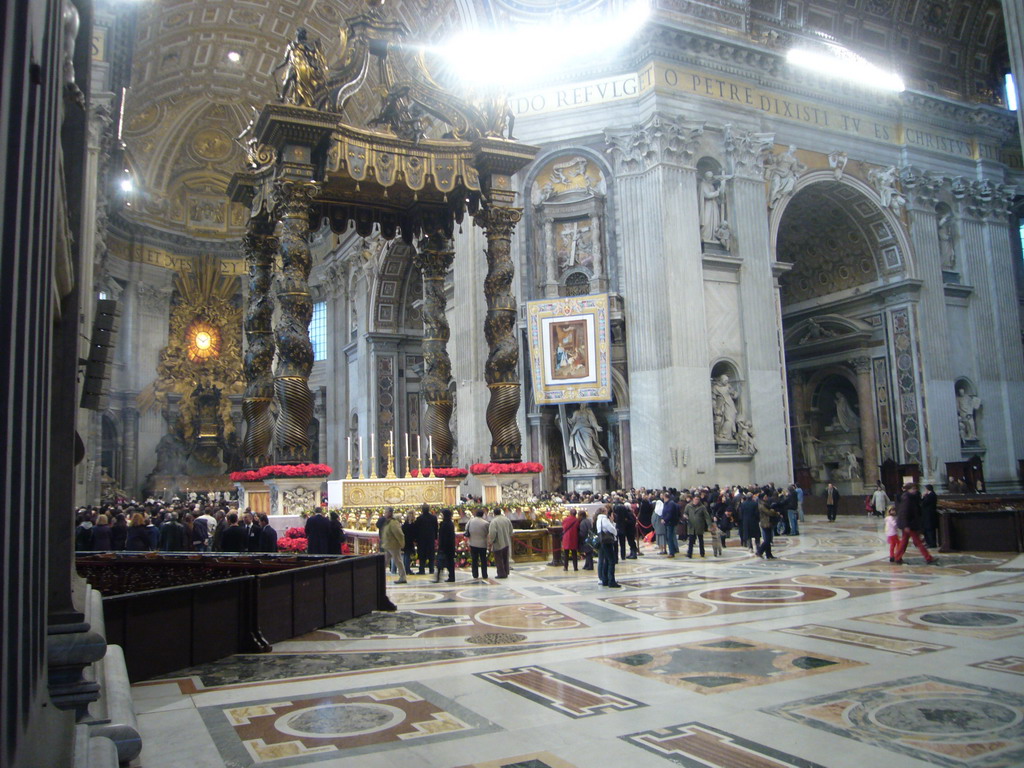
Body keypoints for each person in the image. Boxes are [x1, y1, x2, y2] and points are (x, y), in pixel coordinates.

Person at [893, 482, 937, 565]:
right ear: (908, 490)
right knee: (918, 542)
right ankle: (928, 557)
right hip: (909, 524)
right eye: (913, 489)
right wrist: (906, 525)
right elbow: (904, 512)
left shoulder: (912, 497)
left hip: (909, 523)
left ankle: (897, 557)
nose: (915, 490)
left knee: (904, 541)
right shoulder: (907, 498)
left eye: (915, 489)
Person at [567, 404, 607, 470]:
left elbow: (593, 421)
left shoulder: (589, 412)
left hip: (587, 431)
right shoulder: (576, 412)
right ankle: (585, 464)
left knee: (589, 447)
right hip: (577, 433)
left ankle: (596, 463)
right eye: (581, 402)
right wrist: (562, 419)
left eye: (584, 402)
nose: (583, 404)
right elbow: (572, 421)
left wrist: (597, 427)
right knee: (579, 449)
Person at [380, 507, 408, 584]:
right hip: (388, 545)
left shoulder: (393, 523)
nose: (384, 514)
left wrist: (402, 544)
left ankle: (403, 577)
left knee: (398, 560)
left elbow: (399, 534)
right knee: (385, 561)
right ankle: (379, 576)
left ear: (389, 513)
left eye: (386, 512)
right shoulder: (388, 522)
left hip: (393, 545)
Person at [595, 506, 621, 587]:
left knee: (606, 560)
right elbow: (611, 529)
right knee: (611, 561)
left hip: (602, 541)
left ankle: (605, 579)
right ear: (603, 512)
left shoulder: (598, 520)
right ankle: (611, 580)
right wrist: (613, 523)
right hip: (607, 541)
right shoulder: (604, 519)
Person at [488, 508, 514, 579]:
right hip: (506, 542)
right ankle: (506, 571)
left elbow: (492, 533)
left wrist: (491, 541)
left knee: (499, 559)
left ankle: (501, 573)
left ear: (494, 513)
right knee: (505, 558)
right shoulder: (506, 519)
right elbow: (511, 530)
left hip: (498, 542)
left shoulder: (494, 521)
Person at [712, 375, 739, 442]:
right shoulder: (716, 387)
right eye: (725, 380)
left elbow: (735, 396)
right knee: (728, 420)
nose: (727, 382)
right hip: (721, 406)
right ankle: (723, 434)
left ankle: (729, 437)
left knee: (731, 420)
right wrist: (715, 407)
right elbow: (713, 399)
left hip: (730, 405)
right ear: (721, 380)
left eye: (727, 380)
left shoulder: (728, 386)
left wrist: (733, 393)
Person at [465, 508, 490, 580]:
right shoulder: (485, 523)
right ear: (483, 515)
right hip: (482, 543)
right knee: (483, 560)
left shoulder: (470, 521)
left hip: (473, 543)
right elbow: (488, 533)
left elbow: (466, 529)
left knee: (474, 559)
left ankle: (475, 574)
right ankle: (484, 574)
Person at [684, 494, 712, 558]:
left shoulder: (702, 507)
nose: (696, 501)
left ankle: (702, 553)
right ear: (693, 499)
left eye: (698, 499)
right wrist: (685, 516)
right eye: (695, 499)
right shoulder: (688, 506)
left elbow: (707, 517)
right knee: (691, 541)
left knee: (701, 540)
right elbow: (685, 513)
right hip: (691, 526)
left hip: (700, 526)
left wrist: (709, 525)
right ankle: (689, 553)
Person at [413, 504, 438, 574]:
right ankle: (431, 569)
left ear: (422, 510)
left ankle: (422, 569)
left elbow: (416, 530)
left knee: (422, 555)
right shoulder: (433, 518)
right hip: (430, 539)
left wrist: (415, 539)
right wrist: (435, 537)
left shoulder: (419, 518)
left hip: (421, 540)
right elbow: (436, 528)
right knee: (431, 555)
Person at [756, 493, 781, 559]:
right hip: (765, 523)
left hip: (769, 522)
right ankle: (759, 551)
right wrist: (774, 512)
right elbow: (769, 512)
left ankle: (769, 554)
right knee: (767, 540)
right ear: (762, 498)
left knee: (769, 539)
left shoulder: (766, 504)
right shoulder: (762, 505)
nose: (767, 498)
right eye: (765, 497)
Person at [435, 508, 456, 583]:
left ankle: (439, 578)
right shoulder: (450, 523)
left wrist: (441, 546)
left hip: (445, 547)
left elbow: (443, 536)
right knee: (449, 563)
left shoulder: (445, 524)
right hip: (450, 546)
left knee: (441, 563)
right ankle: (451, 576)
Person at [661, 492, 681, 558]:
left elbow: (670, 513)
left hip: (670, 522)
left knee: (669, 537)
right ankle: (673, 549)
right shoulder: (666, 503)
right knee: (669, 537)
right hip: (667, 522)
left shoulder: (671, 504)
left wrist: (665, 519)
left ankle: (672, 552)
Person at [920, 483, 939, 549]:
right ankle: (928, 542)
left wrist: (923, 497)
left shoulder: (931, 495)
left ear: (927, 489)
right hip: (927, 514)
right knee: (927, 529)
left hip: (929, 515)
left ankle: (932, 543)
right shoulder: (930, 495)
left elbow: (923, 503)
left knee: (930, 529)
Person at [561, 506, 581, 571]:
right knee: (574, 553)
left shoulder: (565, 519)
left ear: (570, 513)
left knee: (566, 553)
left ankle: (565, 567)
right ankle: (575, 567)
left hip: (566, 537)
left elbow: (563, 527)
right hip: (574, 538)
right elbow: (578, 528)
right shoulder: (577, 520)